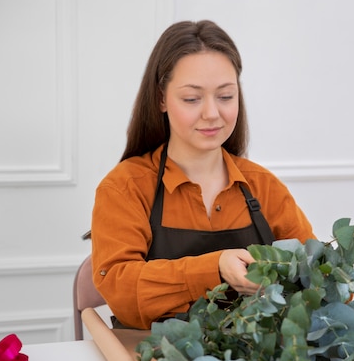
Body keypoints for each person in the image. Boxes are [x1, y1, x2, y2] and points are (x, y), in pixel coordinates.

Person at [90, 20, 315, 330]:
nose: (212, 113)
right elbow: (122, 292)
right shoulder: (124, 188)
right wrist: (215, 269)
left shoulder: (264, 187)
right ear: (161, 99)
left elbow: (323, 283)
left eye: (225, 96)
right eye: (192, 99)